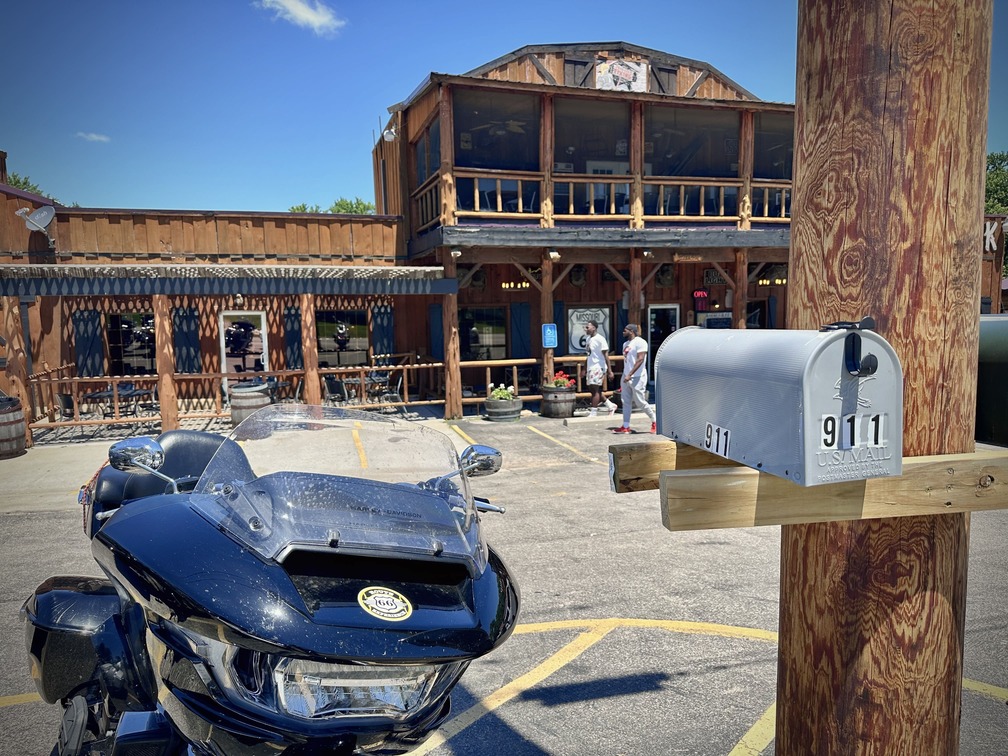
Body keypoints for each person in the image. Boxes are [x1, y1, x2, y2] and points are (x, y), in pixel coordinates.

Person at [613, 323, 656, 434]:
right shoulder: (625, 344)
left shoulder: (641, 342)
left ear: (631, 331)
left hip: (637, 376)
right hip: (626, 376)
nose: (623, 332)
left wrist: (630, 374)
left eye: (625, 330)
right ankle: (626, 426)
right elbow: (627, 361)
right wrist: (625, 375)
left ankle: (655, 421)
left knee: (640, 402)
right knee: (625, 401)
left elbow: (640, 359)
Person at [583, 320, 616, 417]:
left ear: (594, 327)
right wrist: (584, 369)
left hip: (598, 366)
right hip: (590, 366)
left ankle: (594, 411)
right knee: (592, 389)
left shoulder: (600, 339)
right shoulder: (588, 339)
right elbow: (588, 355)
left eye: (588, 327)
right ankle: (610, 405)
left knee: (595, 389)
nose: (586, 329)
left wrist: (610, 371)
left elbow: (606, 355)